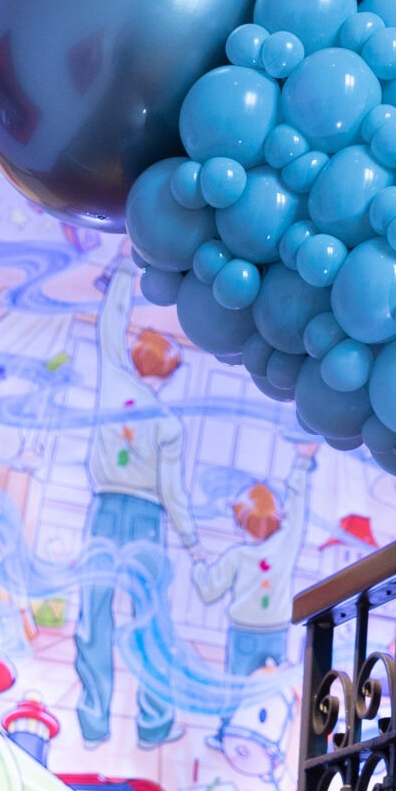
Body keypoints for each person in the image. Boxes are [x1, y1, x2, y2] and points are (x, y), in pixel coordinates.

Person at [74, 263, 195, 746]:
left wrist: (123, 271)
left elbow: (111, 322)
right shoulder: (168, 424)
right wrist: (190, 540)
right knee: (150, 625)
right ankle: (153, 725)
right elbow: (173, 491)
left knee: (94, 615)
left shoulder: (113, 380)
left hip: (105, 511)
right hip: (147, 519)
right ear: (167, 373)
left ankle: (93, 723)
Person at [194, 448, 314, 693]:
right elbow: (297, 505)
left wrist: (198, 567)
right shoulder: (285, 544)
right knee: (274, 693)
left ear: (241, 520)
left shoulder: (236, 556)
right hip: (276, 631)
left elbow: (208, 592)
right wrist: (302, 461)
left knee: (238, 694)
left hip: (244, 633)